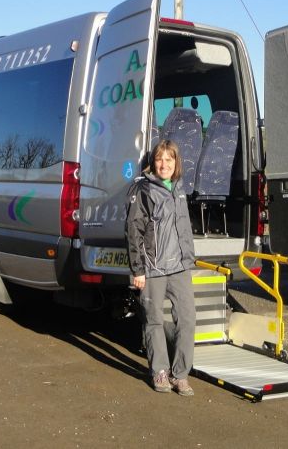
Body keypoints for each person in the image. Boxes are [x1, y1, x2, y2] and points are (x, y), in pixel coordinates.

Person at [125, 139, 196, 396]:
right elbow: (134, 232)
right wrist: (138, 270)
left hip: (179, 267)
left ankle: (181, 375)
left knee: (187, 320)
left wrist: (189, 259)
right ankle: (160, 371)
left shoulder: (179, 188)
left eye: (169, 159)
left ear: (176, 162)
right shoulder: (143, 190)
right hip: (153, 268)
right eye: (159, 159)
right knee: (154, 321)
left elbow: (183, 227)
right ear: (152, 163)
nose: (164, 164)